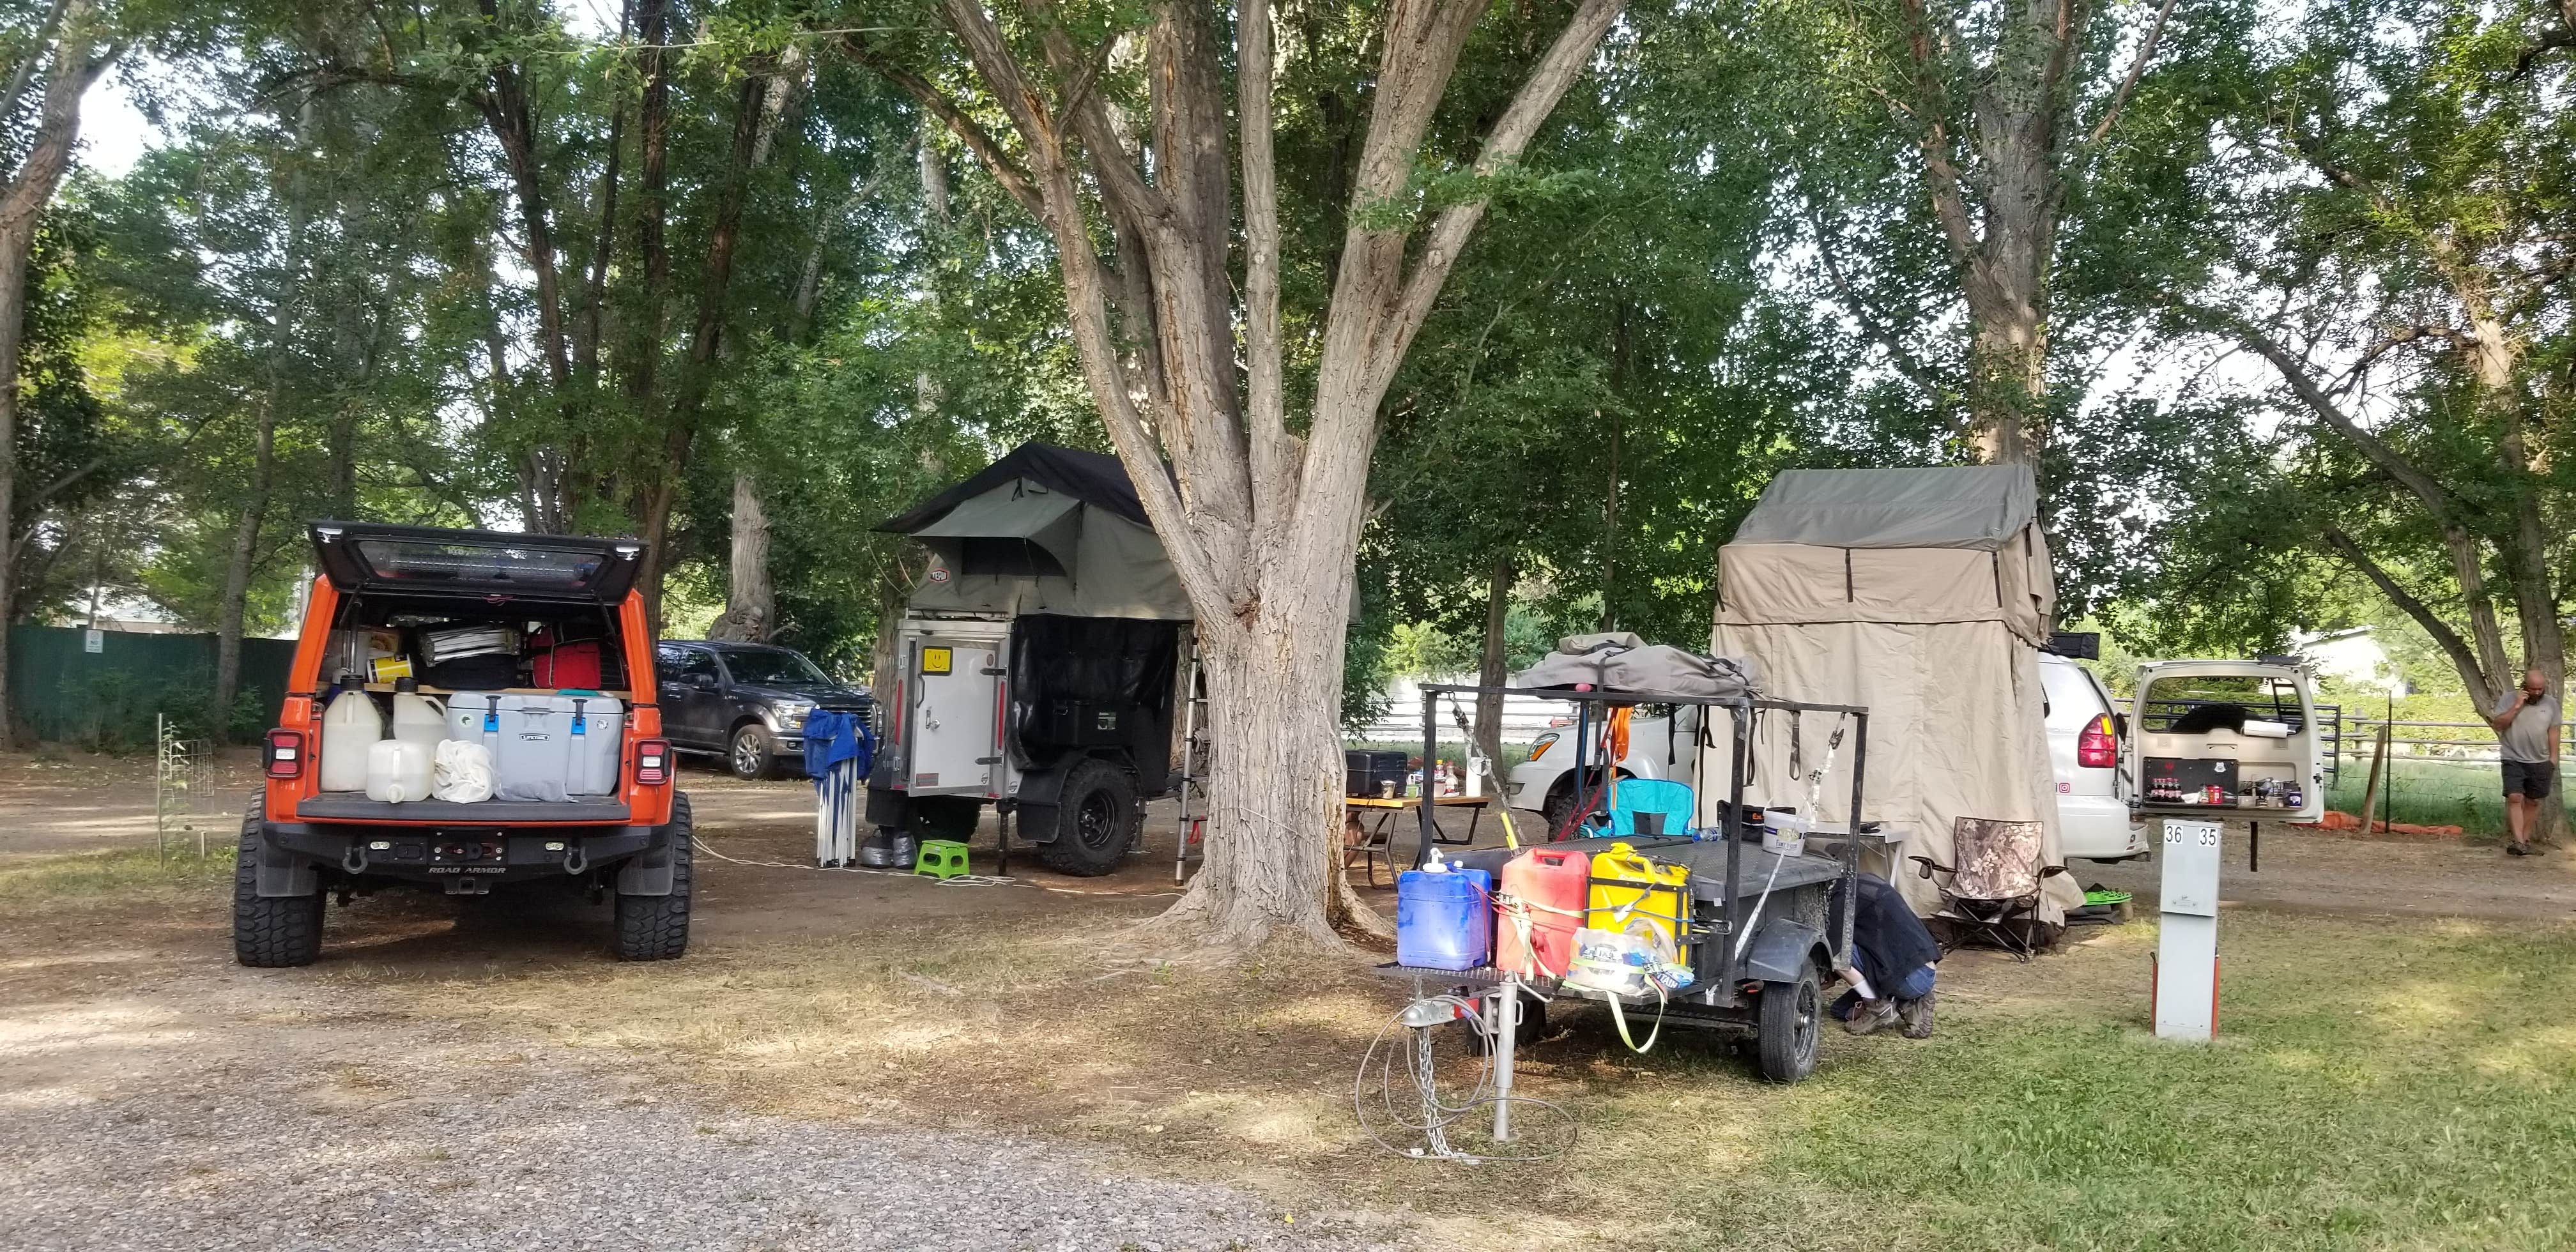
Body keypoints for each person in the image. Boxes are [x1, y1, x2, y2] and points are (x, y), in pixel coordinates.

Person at [1827, 871, 1940, 1039]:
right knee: (1840, 1010)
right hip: (1925, 970)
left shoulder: (1843, 897)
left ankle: (1877, 1006)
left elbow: (1833, 946)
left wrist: (1828, 973)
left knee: (1833, 951)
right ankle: (1908, 1001)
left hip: (1909, 978)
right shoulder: (1864, 881)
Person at [2487, 668, 2561, 857]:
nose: (2537, 692)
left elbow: (2554, 732)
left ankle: (2525, 842)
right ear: (2525, 686)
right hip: (2513, 757)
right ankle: (2518, 841)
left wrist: (2553, 758)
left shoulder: (2551, 704)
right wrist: (2517, 706)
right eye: (2533, 688)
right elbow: (2498, 725)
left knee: (2533, 801)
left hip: (2541, 760)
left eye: (2540, 689)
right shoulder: (2509, 699)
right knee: (2515, 797)